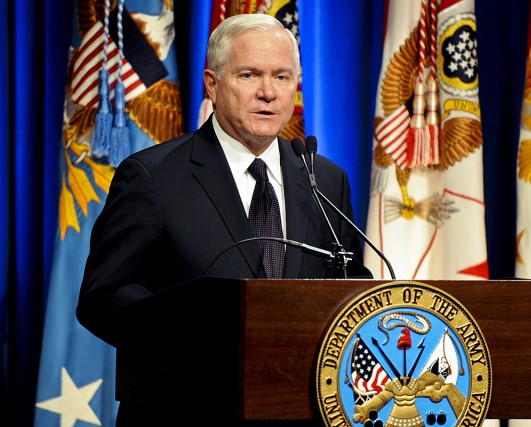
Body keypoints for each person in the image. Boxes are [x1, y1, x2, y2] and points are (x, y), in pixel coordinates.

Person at [76, 12, 371, 426]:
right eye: (250, 75)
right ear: (213, 85)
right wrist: (197, 341)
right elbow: (102, 297)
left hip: (297, 410)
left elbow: (350, 282)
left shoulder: (324, 178)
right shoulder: (152, 177)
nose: (268, 92)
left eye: (283, 77)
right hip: (187, 412)